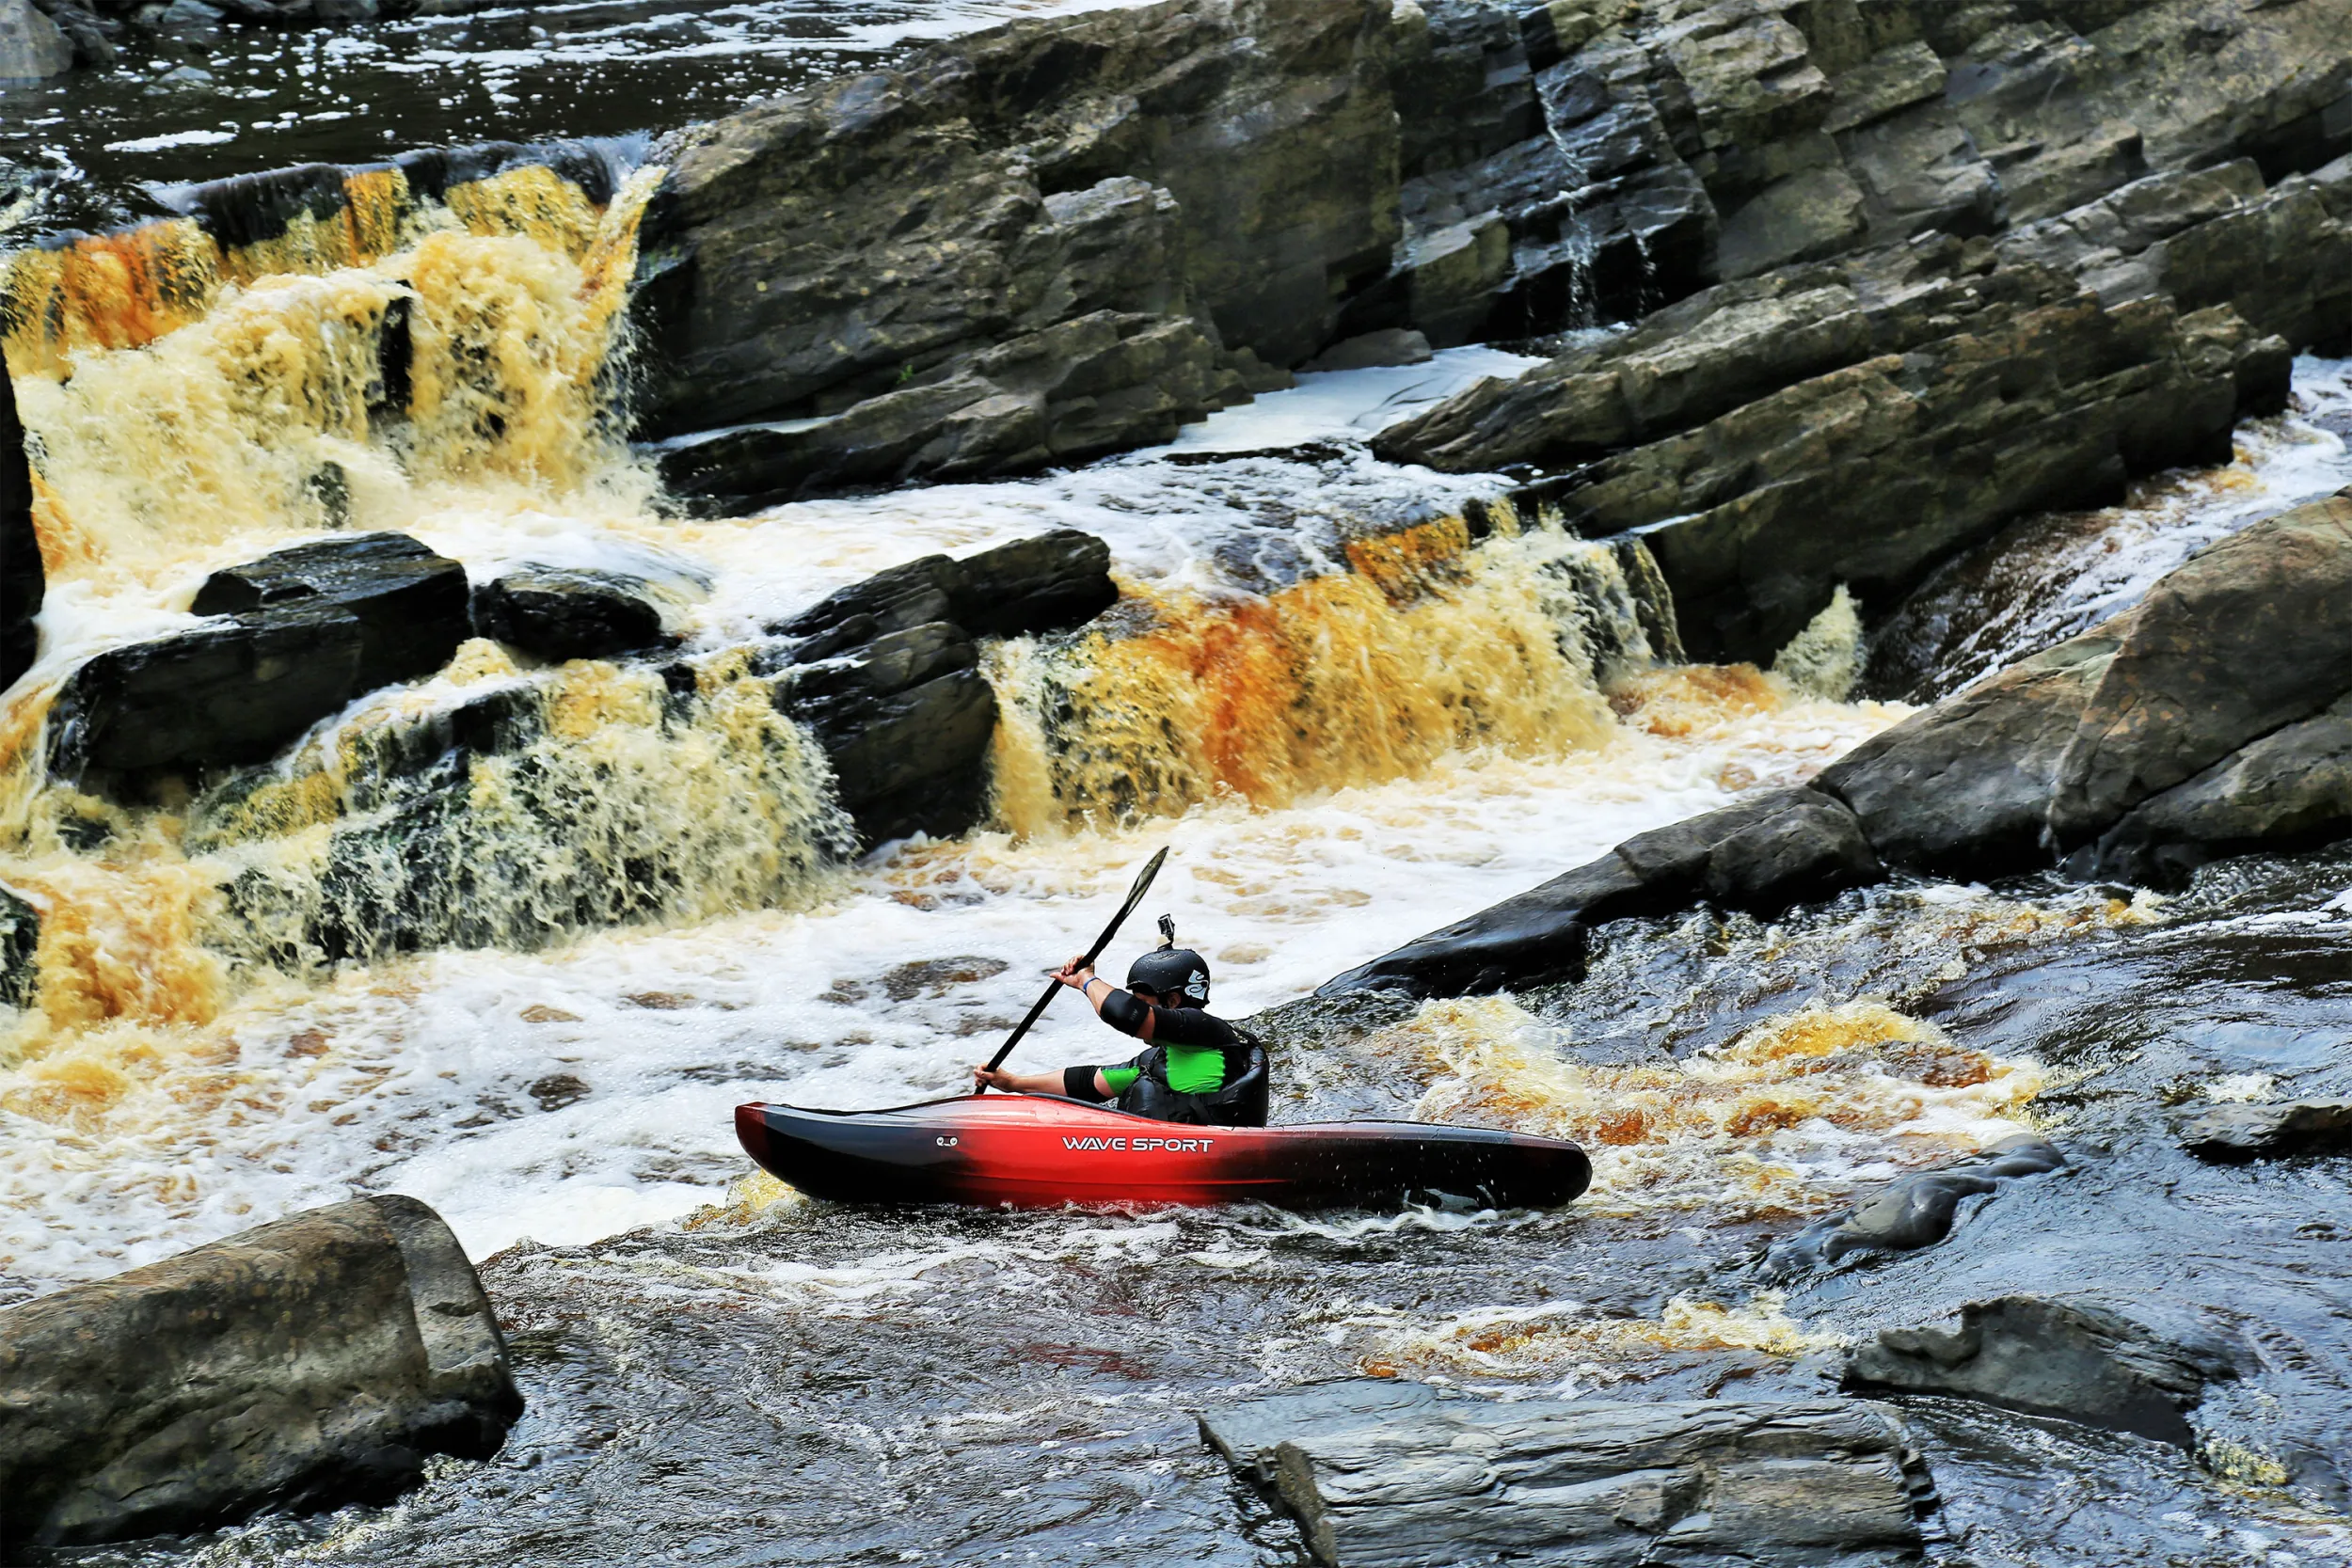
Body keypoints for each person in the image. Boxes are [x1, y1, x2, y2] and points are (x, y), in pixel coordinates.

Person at [971, 918, 1269, 1126]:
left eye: (1142, 998)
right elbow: (1088, 1083)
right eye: (1135, 998)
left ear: (1174, 1001)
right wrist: (1012, 1083)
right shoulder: (1156, 1061)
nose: (1136, 1005)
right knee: (1142, 1084)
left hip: (1212, 1155)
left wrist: (1086, 980)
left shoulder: (1207, 1031)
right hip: (1162, 1166)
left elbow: (1127, 1016)